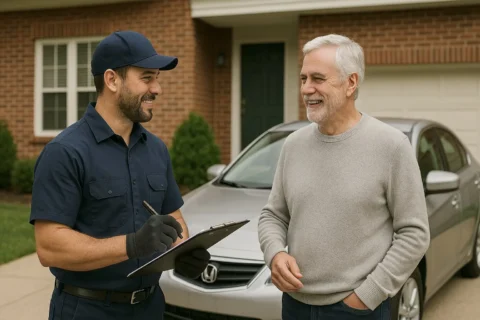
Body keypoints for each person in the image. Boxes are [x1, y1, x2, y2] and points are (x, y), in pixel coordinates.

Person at [29, 30, 210, 320]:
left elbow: (173, 218)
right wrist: (132, 245)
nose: (157, 89)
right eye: (147, 77)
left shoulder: (156, 149)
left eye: (157, 78)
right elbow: (50, 246)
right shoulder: (65, 152)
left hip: (150, 307)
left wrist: (182, 252)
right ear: (112, 80)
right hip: (87, 309)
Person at [257, 34, 430, 320]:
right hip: (295, 305)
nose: (306, 89)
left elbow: (414, 233)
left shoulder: (391, 145)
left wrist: (368, 295)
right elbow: (273, 215)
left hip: (357, 310)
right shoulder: (293, 145)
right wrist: (275, 253)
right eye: (303, 78)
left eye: (317, 78)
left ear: (351, 83)